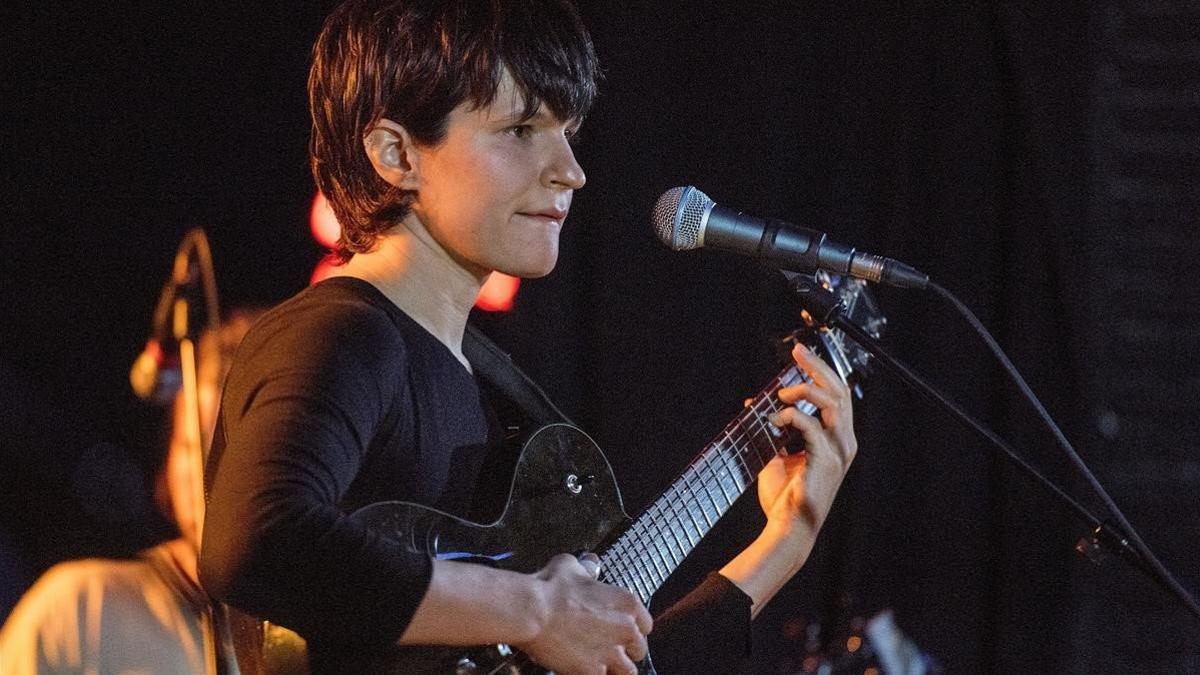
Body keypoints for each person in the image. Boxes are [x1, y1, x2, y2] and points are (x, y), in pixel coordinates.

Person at [199, 1, 859, 673]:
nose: (569, 170)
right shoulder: (343, 333)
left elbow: (619, 658)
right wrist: (533, 607)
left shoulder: (478, 379)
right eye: (520, 130)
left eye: (568, 131)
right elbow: (255, 538)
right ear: (397, 154)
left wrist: (788, 538)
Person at [0, 314, 256, 674]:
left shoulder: (323, 626)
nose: (209, 478)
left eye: (233, 453)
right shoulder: (81, 612)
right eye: (192, 444)